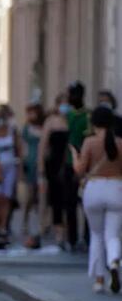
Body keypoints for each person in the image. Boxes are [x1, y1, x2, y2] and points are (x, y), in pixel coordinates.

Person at [70, 106, 122, 294]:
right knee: (113, 234)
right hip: (116, 189)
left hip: (94, 190)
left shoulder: (90, 142)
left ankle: (99, 280)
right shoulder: (120, 143)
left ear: (94, 123)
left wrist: (75, 156)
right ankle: (114, 260)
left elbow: (80, 170)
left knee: (96, 235)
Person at [38, 94, 71, 248]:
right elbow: (43, 145)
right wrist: (41, 167)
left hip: (69, 164)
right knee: (55, 198)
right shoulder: (51, 122)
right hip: (53, 164)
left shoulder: (72, 120)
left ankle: (69, 230)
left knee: (68, 198)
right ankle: (59, 231)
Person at [0, 105, 22, 248]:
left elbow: (18, 149)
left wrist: (20, 169)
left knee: (6, 197)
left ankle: (3, 226)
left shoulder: (12, 131)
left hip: (10, 167)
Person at [64, 82, 91, 250]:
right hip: (68, 164)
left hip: (84, 165)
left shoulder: (87, 117)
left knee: (86, 203)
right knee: (70, 203)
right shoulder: (67, 116)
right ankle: (72, 238)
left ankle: (87, 237)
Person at [21, 103, 45, 248]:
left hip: (41, 164)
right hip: (30, 164)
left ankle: (42, 223)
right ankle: (26, 220)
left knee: (41, 196)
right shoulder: (26, 129)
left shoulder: (44, 127)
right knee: (30, 195)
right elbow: (22, 146)